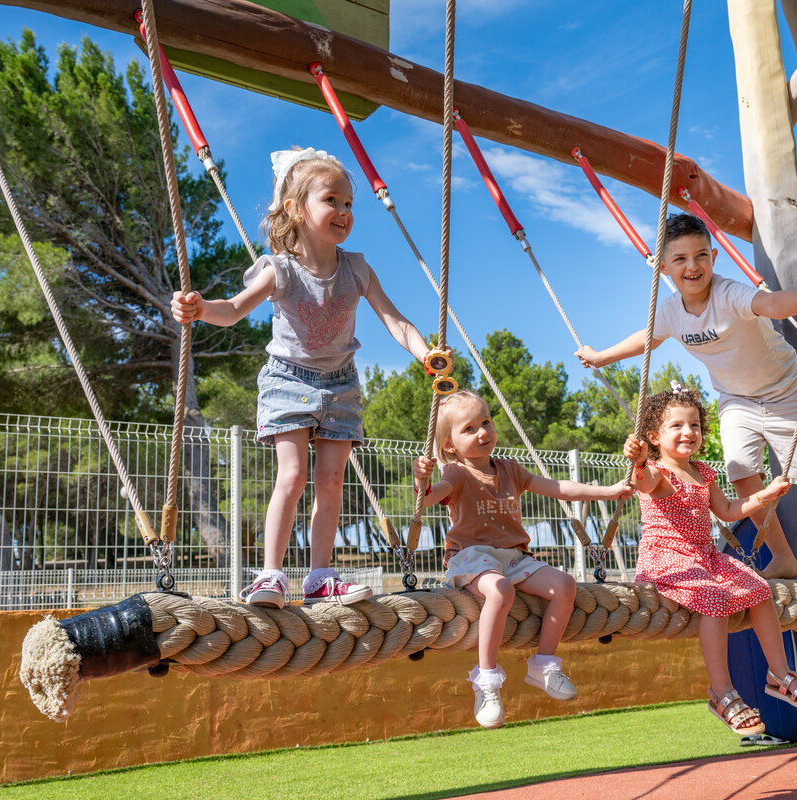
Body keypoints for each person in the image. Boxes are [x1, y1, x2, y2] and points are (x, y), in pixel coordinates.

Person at [170, 148, 440, 608]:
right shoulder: (280, 268)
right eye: (332, 200)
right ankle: (270, 575)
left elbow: (395, 322)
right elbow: (233, 311)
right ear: (296, 208)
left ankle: (320, 575)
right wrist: (198, 310)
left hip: (341, 383)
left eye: (350, 203)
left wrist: (426, 353)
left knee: (332, 480)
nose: (344, 211)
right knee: (292, 475)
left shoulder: (357, 268)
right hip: (288, 380)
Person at [578, 214, 797, 590]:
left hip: (785, 391)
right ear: (663, 267)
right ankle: (783, 556)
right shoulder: (668, 311)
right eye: (680, 259)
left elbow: (773, 304)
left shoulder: (730, 294)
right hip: (736, 399)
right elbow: (646, 339)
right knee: (742, 472)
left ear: (714, 256)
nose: (692, 266)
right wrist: (602, 357)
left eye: (701, 255)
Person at [412, 391, 631, 729]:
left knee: (564, 585)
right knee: (499, 590)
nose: (483, 432)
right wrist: (420, 479)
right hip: (471, 557)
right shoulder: (457, 473)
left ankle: (542, 665)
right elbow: (428, 500)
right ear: (450, 446)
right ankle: (486, 680)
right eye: (469, 429)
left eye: (486, 422)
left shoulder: (511, 470)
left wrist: (609, 490)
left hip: (513, 556)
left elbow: (560, 487)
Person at [622, 387, 797, 736]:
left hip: (705, 556)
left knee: (759, 589)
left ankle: (780, 673)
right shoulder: (656, 472)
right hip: (670, 559)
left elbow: (729, 511)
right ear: (653, 436)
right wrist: (637, 460)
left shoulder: (703, 473)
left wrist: (764, 494)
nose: (689, 432)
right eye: (677, 426)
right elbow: (641, 480)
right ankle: (721, 691)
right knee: (714, 600)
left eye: (695, 425)